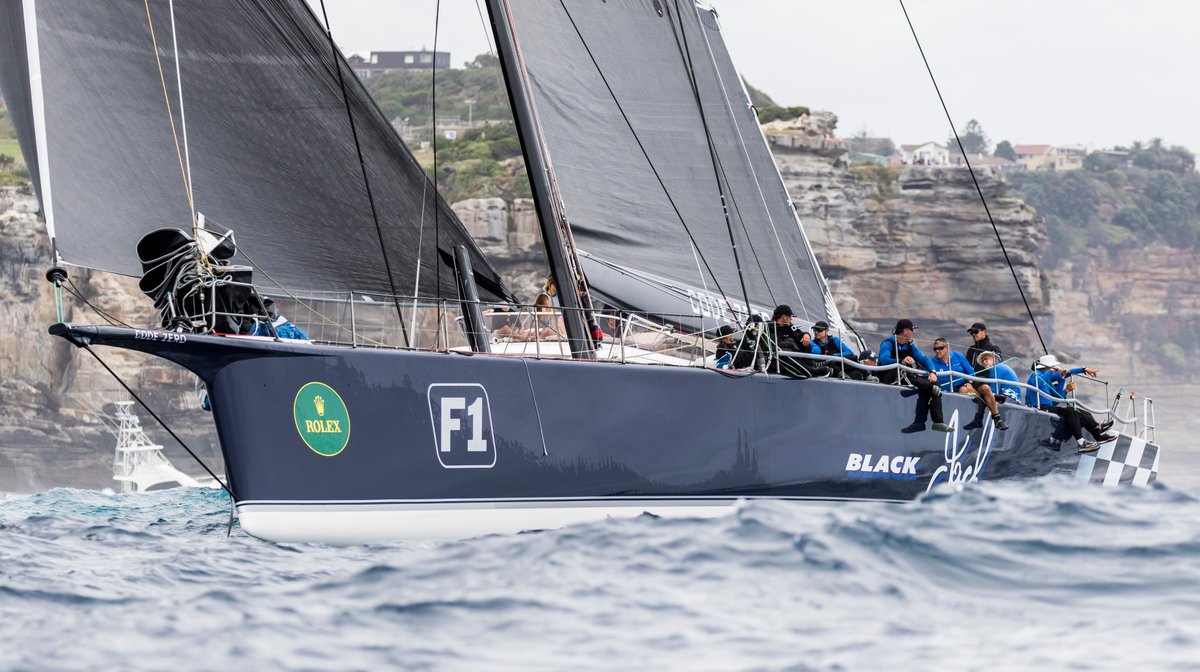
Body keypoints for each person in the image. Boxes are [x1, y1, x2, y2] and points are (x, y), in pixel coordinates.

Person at [1024, 354, 1115, 452]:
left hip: (1047, 407)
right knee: (1070, 411)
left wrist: (1081, 370)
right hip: (1037, 407)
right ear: (1047, 367)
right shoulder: (1035, 375)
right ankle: (1082, 442)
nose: (1055, 368)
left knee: (1081, 413)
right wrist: (1052, 371)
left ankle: (1098, 432)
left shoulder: (1048, 380)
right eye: (1052, 366)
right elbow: (1039, 382)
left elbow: (1058, 397)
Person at [878, 319, 950, 433]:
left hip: (906, 375)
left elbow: (924, 359)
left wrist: (932, 372)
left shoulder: (910, 345)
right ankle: (930, 389)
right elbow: (883, 359)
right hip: (890, 375)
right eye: (912, 330)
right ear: (905, 331)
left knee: (935, 383)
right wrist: (901, 360)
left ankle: (934, 422)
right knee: (922, 382)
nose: (913, 332)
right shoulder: (888, 343)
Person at [928, 337, 1008, 431]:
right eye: (935, 349)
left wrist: (969, 382)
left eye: (940, 348)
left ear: (947, 348)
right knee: (963, 390)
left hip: (968, 381)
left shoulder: (958, 356)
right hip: (954, 388)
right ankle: (993, 397)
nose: (937, 351)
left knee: (985, 388)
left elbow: (971, 373)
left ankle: (997, 419)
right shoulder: (931, 362)